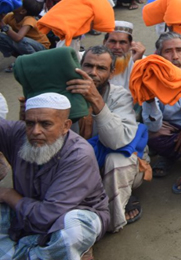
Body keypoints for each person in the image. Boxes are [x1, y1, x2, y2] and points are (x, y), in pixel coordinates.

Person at [0, 93, 110, 259]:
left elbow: (47, 216)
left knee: (72, 231)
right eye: (30, 123)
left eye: (45, 124)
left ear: (66, 126)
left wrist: (8, 195)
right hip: (26, 214)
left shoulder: (79, 155)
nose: (35, 131)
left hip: (67, 217)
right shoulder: (19, 135)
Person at [67, 46, 148, 232]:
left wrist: (96, 100)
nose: (93, 73)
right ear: (80, 66)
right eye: (88, 66)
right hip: (76, 165)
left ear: (112, 73)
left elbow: (117, 142)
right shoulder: (66, 92)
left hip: (112, 163)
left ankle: (110, 220)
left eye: (101, 68)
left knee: (118, 159)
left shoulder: (120, 96)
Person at [142, 32, 181, 177]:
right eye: (168, 51)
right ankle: (171, 155)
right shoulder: (151, 77)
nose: (175, 56)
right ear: (159, 54)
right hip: (173, 128)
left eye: (179, 50)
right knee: (152, 136)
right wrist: (150, 101)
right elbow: (153, 125)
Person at [0, 0, 48, 70]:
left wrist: (3, 26)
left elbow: (18, 38)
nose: (16, 3)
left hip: (41, 48)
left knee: (20, 40)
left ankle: (35, 62)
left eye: (19, 3)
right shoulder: (10, 17)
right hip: (26, 46)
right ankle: (22, 60)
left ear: (22, 11)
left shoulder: (29, 19)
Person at [103, 21, 145, 91]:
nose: (117, 47)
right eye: (112, 41)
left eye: (122, 42)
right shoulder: (91, 58)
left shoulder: (140, 60)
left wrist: (137, 63)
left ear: (130, 44)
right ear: (104, 42)